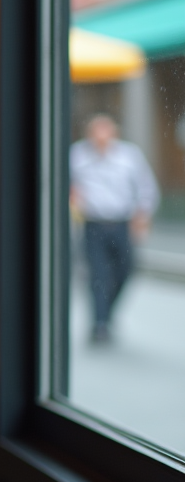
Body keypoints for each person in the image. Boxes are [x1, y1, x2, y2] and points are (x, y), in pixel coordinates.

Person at [69, 113, 159, 344]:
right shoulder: (77, 155)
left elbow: (146, 187)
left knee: (125, 270)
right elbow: (66, 184)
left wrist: (142, 216)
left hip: (121, 223)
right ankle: (100, 324)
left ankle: (107, 312)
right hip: (93, 224)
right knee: (98, 274)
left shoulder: (129, 156)